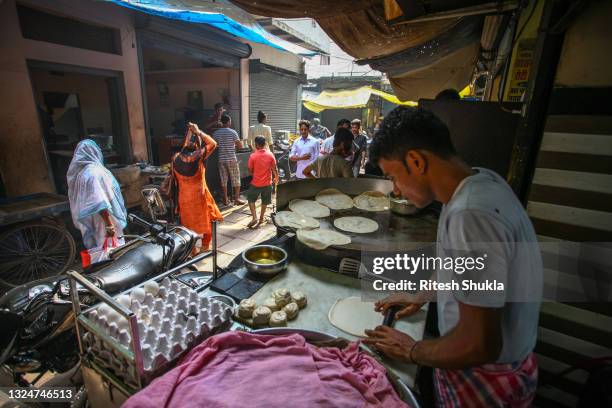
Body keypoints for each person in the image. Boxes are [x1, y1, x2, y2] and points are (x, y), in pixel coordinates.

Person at [364, 107, 542, 407]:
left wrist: (412, 350)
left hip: (485, 378)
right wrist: (421, 296)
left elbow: (480, 344)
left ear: (416, 161)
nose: (395, 189)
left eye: (393, 177)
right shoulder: (478, 183)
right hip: (501, 366)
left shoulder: (471, 215)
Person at [67, 139, 127, 252]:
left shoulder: (82, 173)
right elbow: (99, 202)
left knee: (102, 248)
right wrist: (109, 224)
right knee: (113, 250)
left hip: (94, 217)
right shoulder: (94, 172)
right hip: (104, 218)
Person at [172, 123, 223, 253]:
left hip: (184, 198)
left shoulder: (176, 157)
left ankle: (192, 249)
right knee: (208, 219)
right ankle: (205, 246)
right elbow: (212, 143)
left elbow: (185, 147)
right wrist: (198, 131)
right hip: (199, 197)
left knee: (187, 225)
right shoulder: (197, 156)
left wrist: (190, 132)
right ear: (197, 145)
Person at [212, 114, 245, 206]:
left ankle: (225, 199)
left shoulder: (216, 133)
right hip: (231, 159)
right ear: (228, 121)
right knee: (236, 178)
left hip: (221, 159)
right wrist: (234, 147)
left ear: (222, 122)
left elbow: (213, 145)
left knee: (224, 180)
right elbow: (240, 146)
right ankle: (237, 199)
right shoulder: (233, 132)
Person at [247, 136, 279, 228]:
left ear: (256, 145)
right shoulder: (270, 155)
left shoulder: (253, 156)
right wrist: (276, 178)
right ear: (265, 144)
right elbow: (275, 169)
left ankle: (254, 217)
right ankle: (261, 218)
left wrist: (254, 174)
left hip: (255, 183)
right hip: (267, 184)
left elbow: (250, 169)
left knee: (251, 199)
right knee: (265, 202)